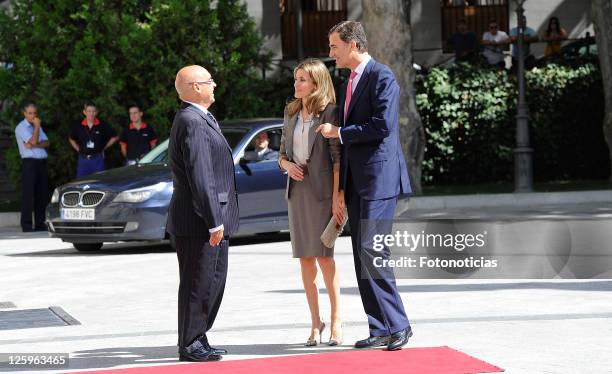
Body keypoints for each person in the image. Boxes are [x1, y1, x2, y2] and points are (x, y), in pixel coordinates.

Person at [318, 20, 413, 351]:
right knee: (362, 254)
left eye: (334, 47)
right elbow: (347, 145)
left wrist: (340, 132)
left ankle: (398, 325)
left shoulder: (382, 76)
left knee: (374, 249)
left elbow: (382, 127)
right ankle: (380, 327)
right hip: (357, 182)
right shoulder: (349, 82)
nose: (331, 53)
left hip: (379, 180)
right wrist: (341, 188)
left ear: (353, 45)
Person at [167, 65, 239, 362]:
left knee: (211, 281)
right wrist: (213, 221)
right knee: (198, 283)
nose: (215, 85)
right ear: (196, 87)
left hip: (206, 217)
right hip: (199, 220)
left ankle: (198, 336)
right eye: (210, 81)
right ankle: (191, 343)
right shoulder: (192, 120)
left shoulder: (198, 117)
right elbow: (201, 175)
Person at [278, 59, 343, 347]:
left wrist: (337, 197)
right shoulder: (291, 111)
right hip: (298, 192)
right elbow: (281, 153)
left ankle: (337, 320)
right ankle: (315, 323)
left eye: (302, 79)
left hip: (323, 193)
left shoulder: (330, 111)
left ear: (316, 82)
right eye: (296, 79)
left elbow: (338, 158)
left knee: (325, 258)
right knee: (305, 258)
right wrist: (286, 166)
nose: (297, 84)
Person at [14, 103, 49, 232]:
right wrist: (37, 127)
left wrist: (35, 145)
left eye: (34, 113)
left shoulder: (36, 126)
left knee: (42, 194)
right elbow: (34, 140)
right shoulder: (21, 127)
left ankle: (41, 224)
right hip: (29, 163)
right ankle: (27, 225)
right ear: (24, 113)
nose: (33, 116)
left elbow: (46, 142)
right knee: (28, 195)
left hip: (41, 163)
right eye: (30, 113)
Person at [68, 103, 118, 177]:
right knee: (81, 183)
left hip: (97, 159)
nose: (91, 113)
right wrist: (79, 149)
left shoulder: (102, 125)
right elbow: (71, 138)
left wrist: (104, 148)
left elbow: (115, 136)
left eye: (93, 111)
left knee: (99, 182)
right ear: (84, 112)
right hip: (83, 160)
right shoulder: (78, 125)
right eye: (89, 111)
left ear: (97, 112)